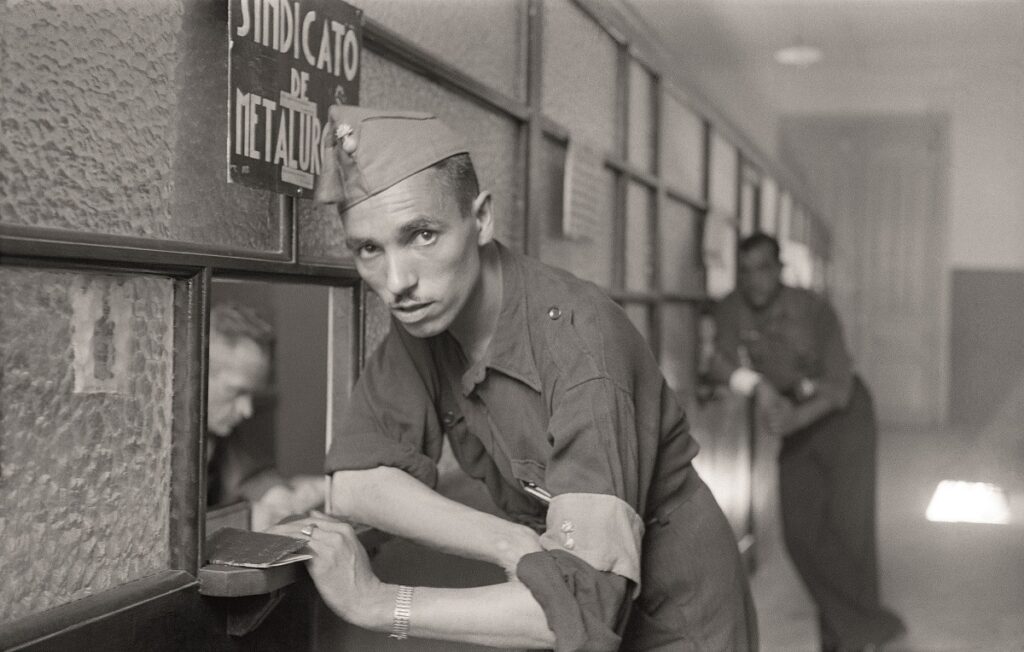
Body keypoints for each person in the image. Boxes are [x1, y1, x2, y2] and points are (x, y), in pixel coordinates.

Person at [274, 106, 758, 651]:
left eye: (423, 235)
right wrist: (508, 543)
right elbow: (359, 482)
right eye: (369, 248)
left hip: (678, 611)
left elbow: (576, 612)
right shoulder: (427, 319)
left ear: (481, 219)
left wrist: (377, 602)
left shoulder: (580, 347)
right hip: (571, 576)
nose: (396, 281)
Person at [708, 233, 905, 652]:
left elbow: (838, 388)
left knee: (851, 530)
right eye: (745, 271)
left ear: (780, 269)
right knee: (800, 533)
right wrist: (760, 388)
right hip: (792, 415)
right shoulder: (731, 307)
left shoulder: (813, 308)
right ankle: (874, 626)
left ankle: (842, 641)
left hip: (844, 418)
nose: (754, 280)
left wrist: (793, 417)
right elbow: (720, 361)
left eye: (763, 268)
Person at [206, 301, 323, 531]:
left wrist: (276, 494)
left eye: (251, 394)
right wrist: (245, 519)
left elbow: (250, 476)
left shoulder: (217, 432)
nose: (247, 410)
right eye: (236, 391)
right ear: (194, 375)